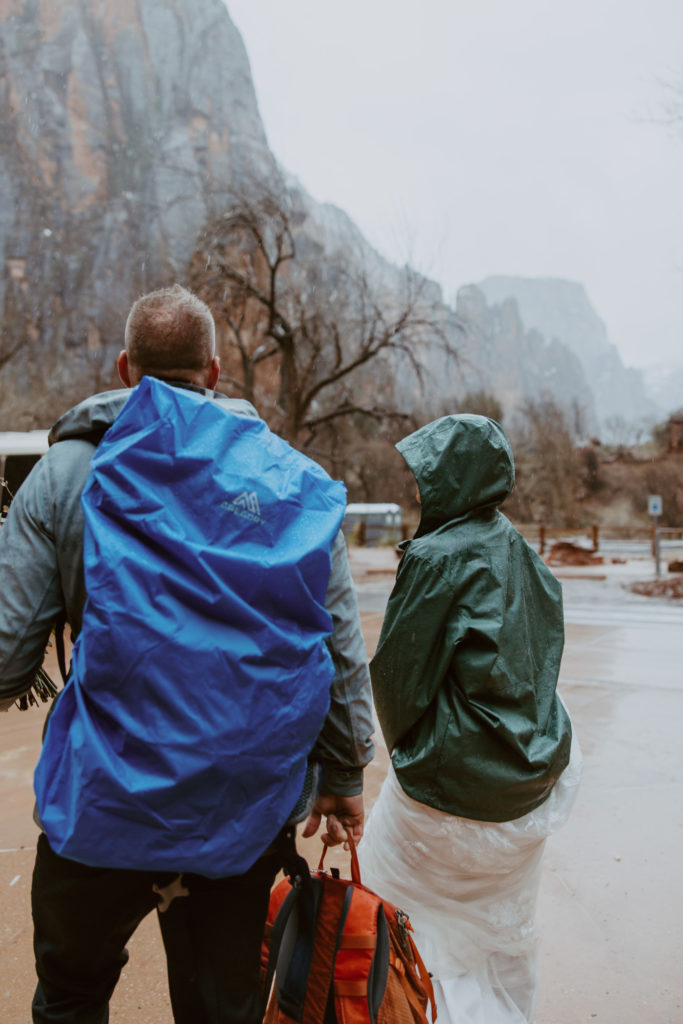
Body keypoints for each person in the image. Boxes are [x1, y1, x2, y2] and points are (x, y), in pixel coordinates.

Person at [0, 284, 375, 1024]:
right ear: (214, 369)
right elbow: (336, 644)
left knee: (72, 998)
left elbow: (7, 655)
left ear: (123, 368)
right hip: (240, 814)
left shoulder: (68, 474)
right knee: (221, 1010)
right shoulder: (290, 480)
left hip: (100, 807)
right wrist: (344, 771)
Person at [357, 414, 581, 1024]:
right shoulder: (521, 549)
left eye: (426, 475)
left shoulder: (434, 558)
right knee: (495, 935)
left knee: (408, 921)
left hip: (451, 785)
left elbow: (399, 685)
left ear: (451, 477)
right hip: (532, 779)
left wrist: (414, 754)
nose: (417, 487)